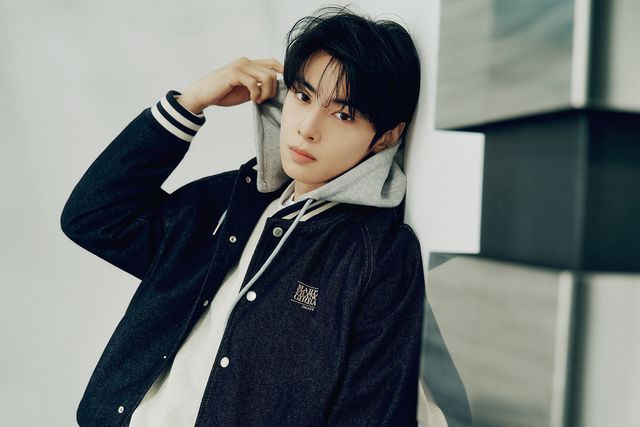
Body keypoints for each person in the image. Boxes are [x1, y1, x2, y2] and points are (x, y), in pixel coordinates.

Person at [61, 4, 444, 426]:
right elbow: (94, 217)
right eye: (303, 96)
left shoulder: (378, 256)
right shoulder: (234, 199)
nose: (307, 128)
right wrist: (192, 102)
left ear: (385, 137)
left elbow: (372, 414)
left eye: (342, 114)